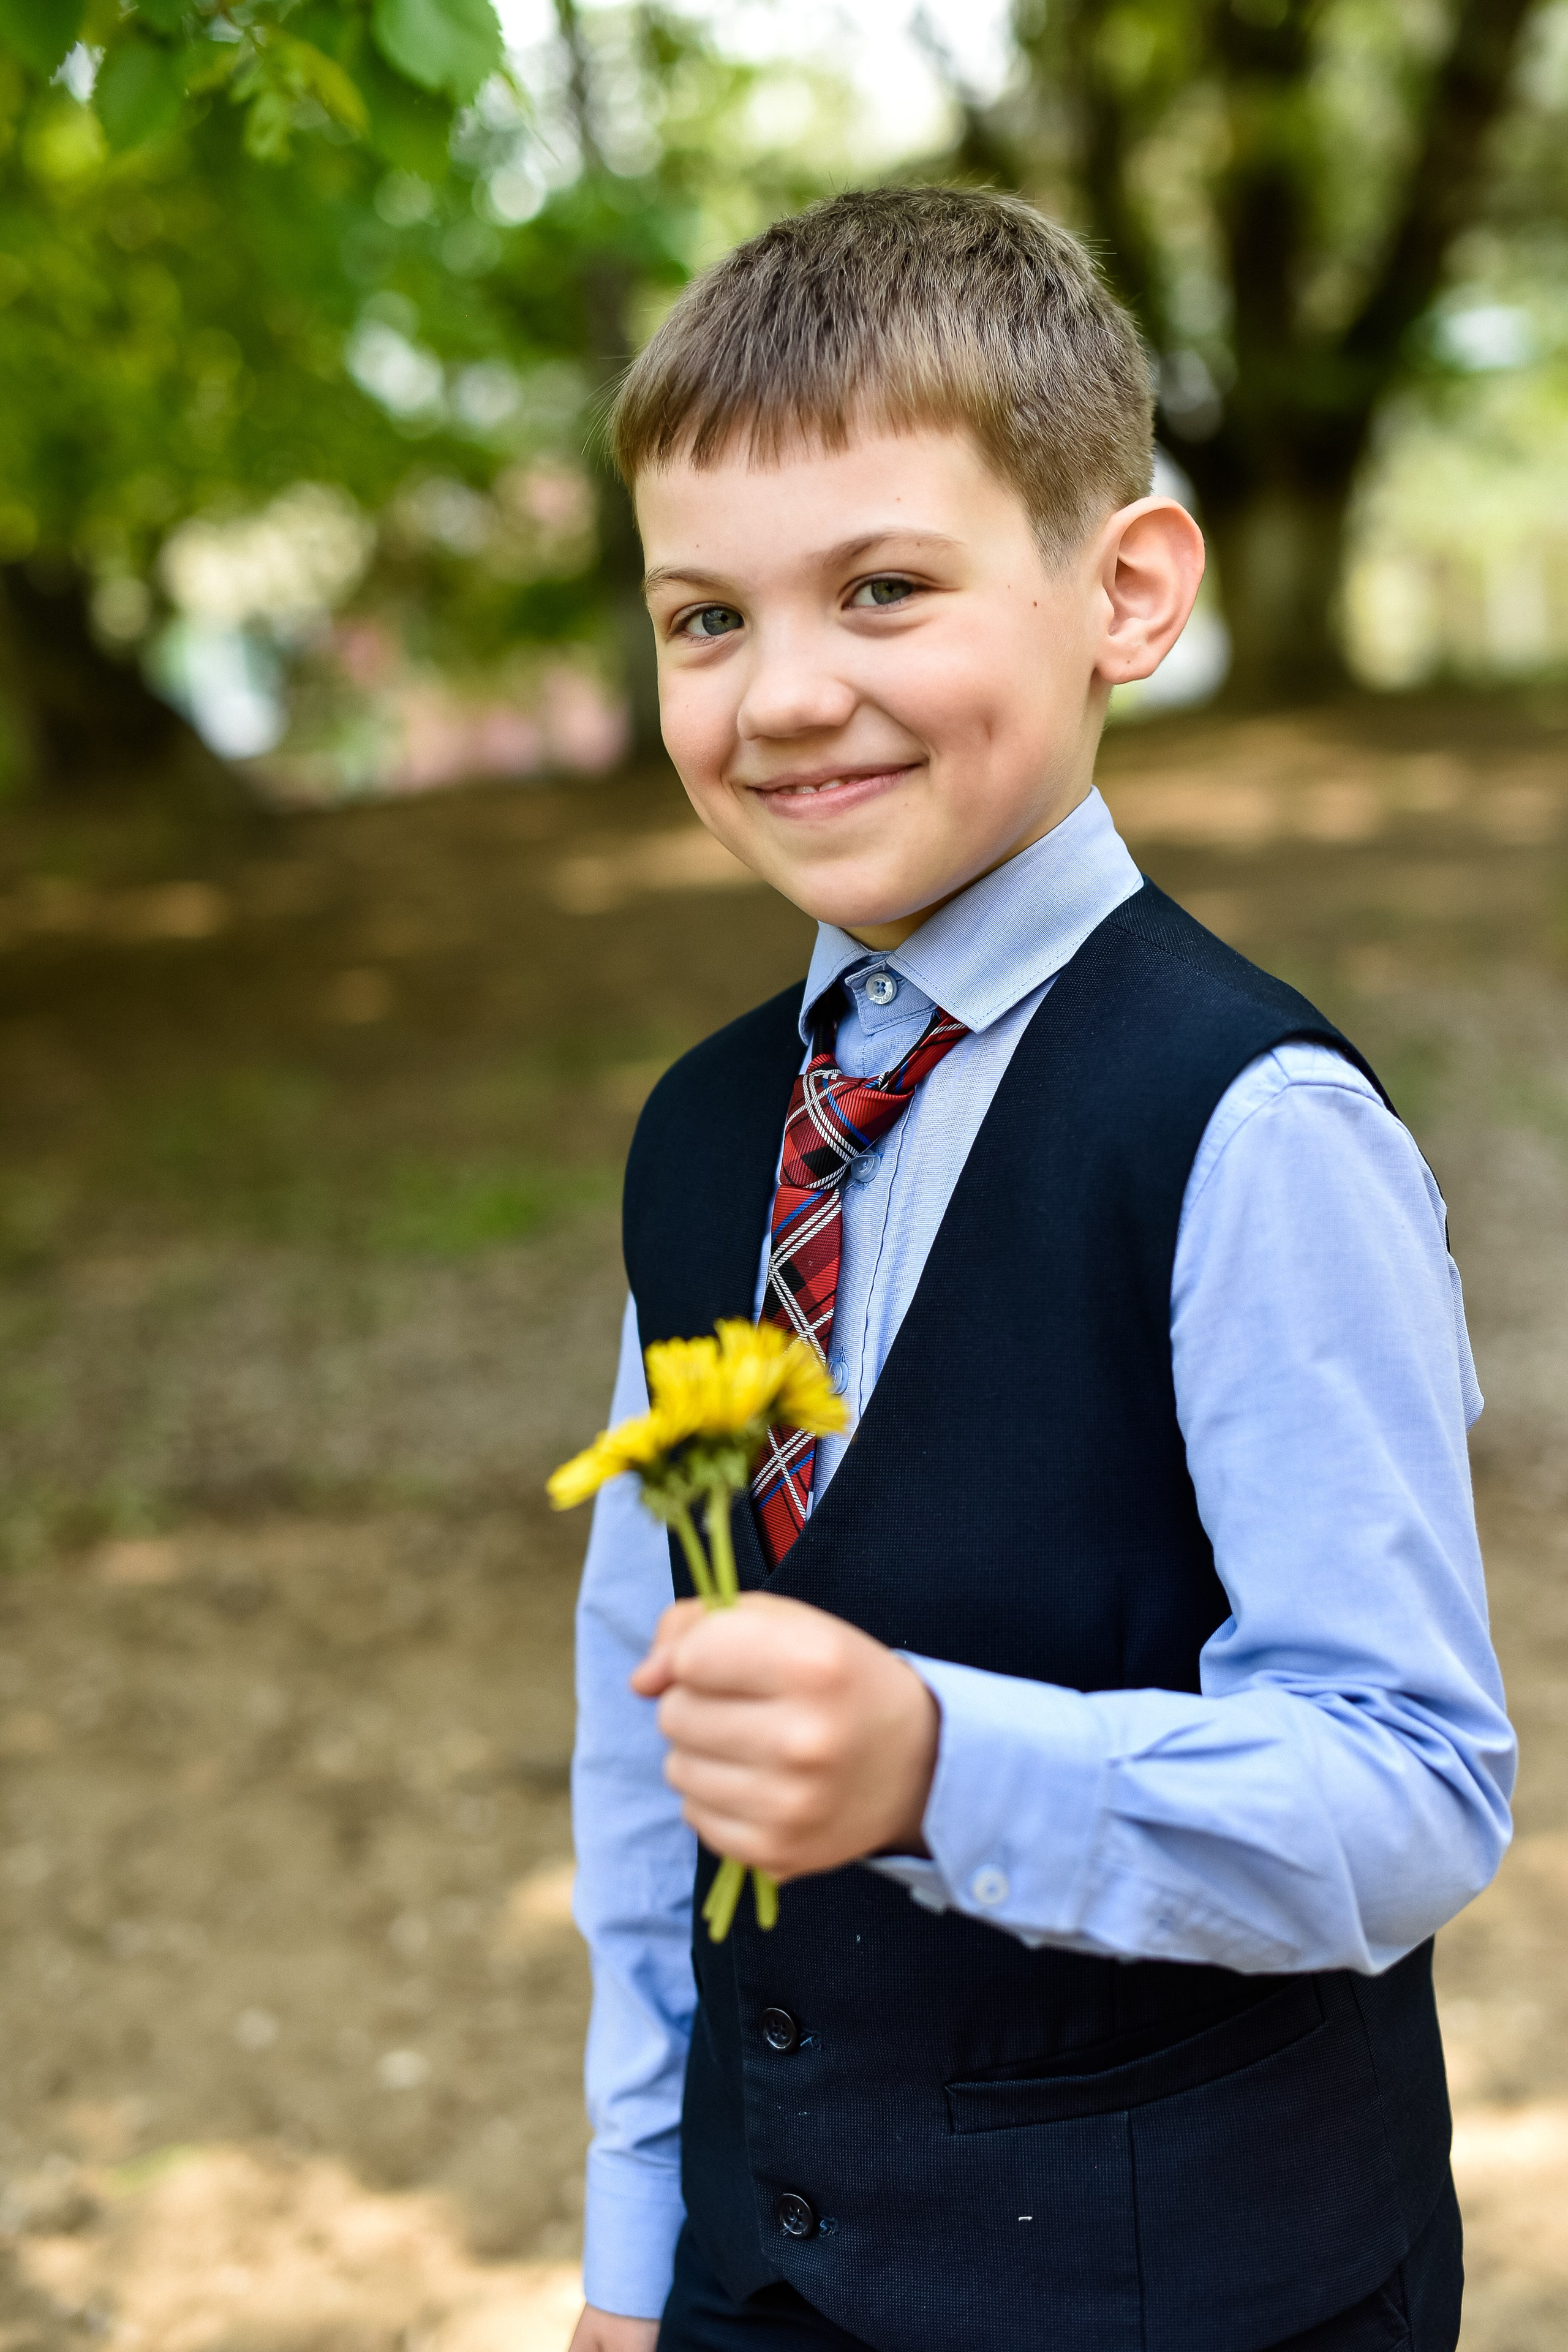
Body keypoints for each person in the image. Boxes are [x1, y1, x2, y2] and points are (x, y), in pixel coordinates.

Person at [566, 187, 1515, 2352]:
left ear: (1129, 591)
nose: (787, 695)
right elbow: (651, 1748)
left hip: (1195, 2291)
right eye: (702, 620)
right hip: (756, 2276)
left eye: (884, 588)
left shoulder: (1250, 1130)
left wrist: (937, 1766)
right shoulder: (706, 1140)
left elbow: (1410, 1783)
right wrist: (638, 2241)